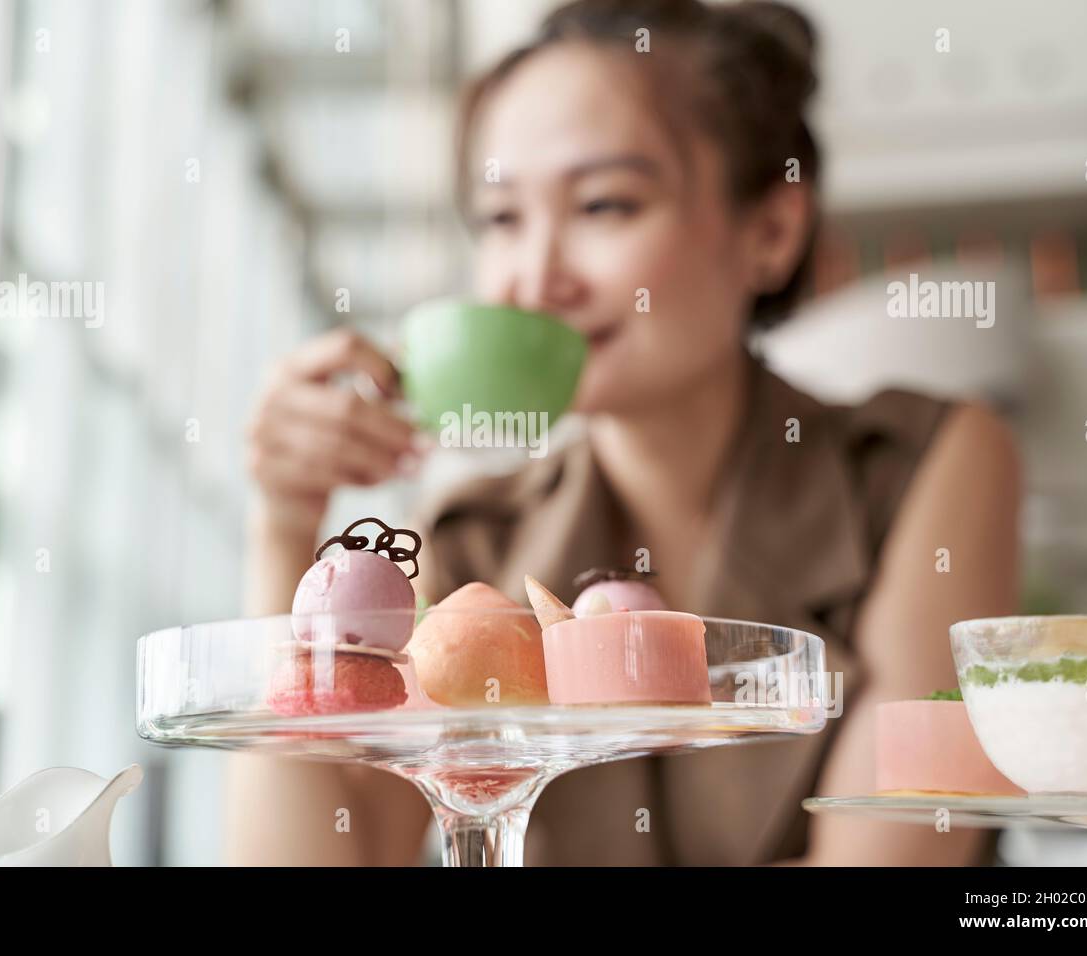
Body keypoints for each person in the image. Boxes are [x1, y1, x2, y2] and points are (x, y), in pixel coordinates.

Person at [228, 0, 1020, 866]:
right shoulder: (471, 544)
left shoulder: (924, 466)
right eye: (500, 218)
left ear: (771, 230)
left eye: (604, 205)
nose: (534, 278)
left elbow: (898, 858)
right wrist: (283, 525)